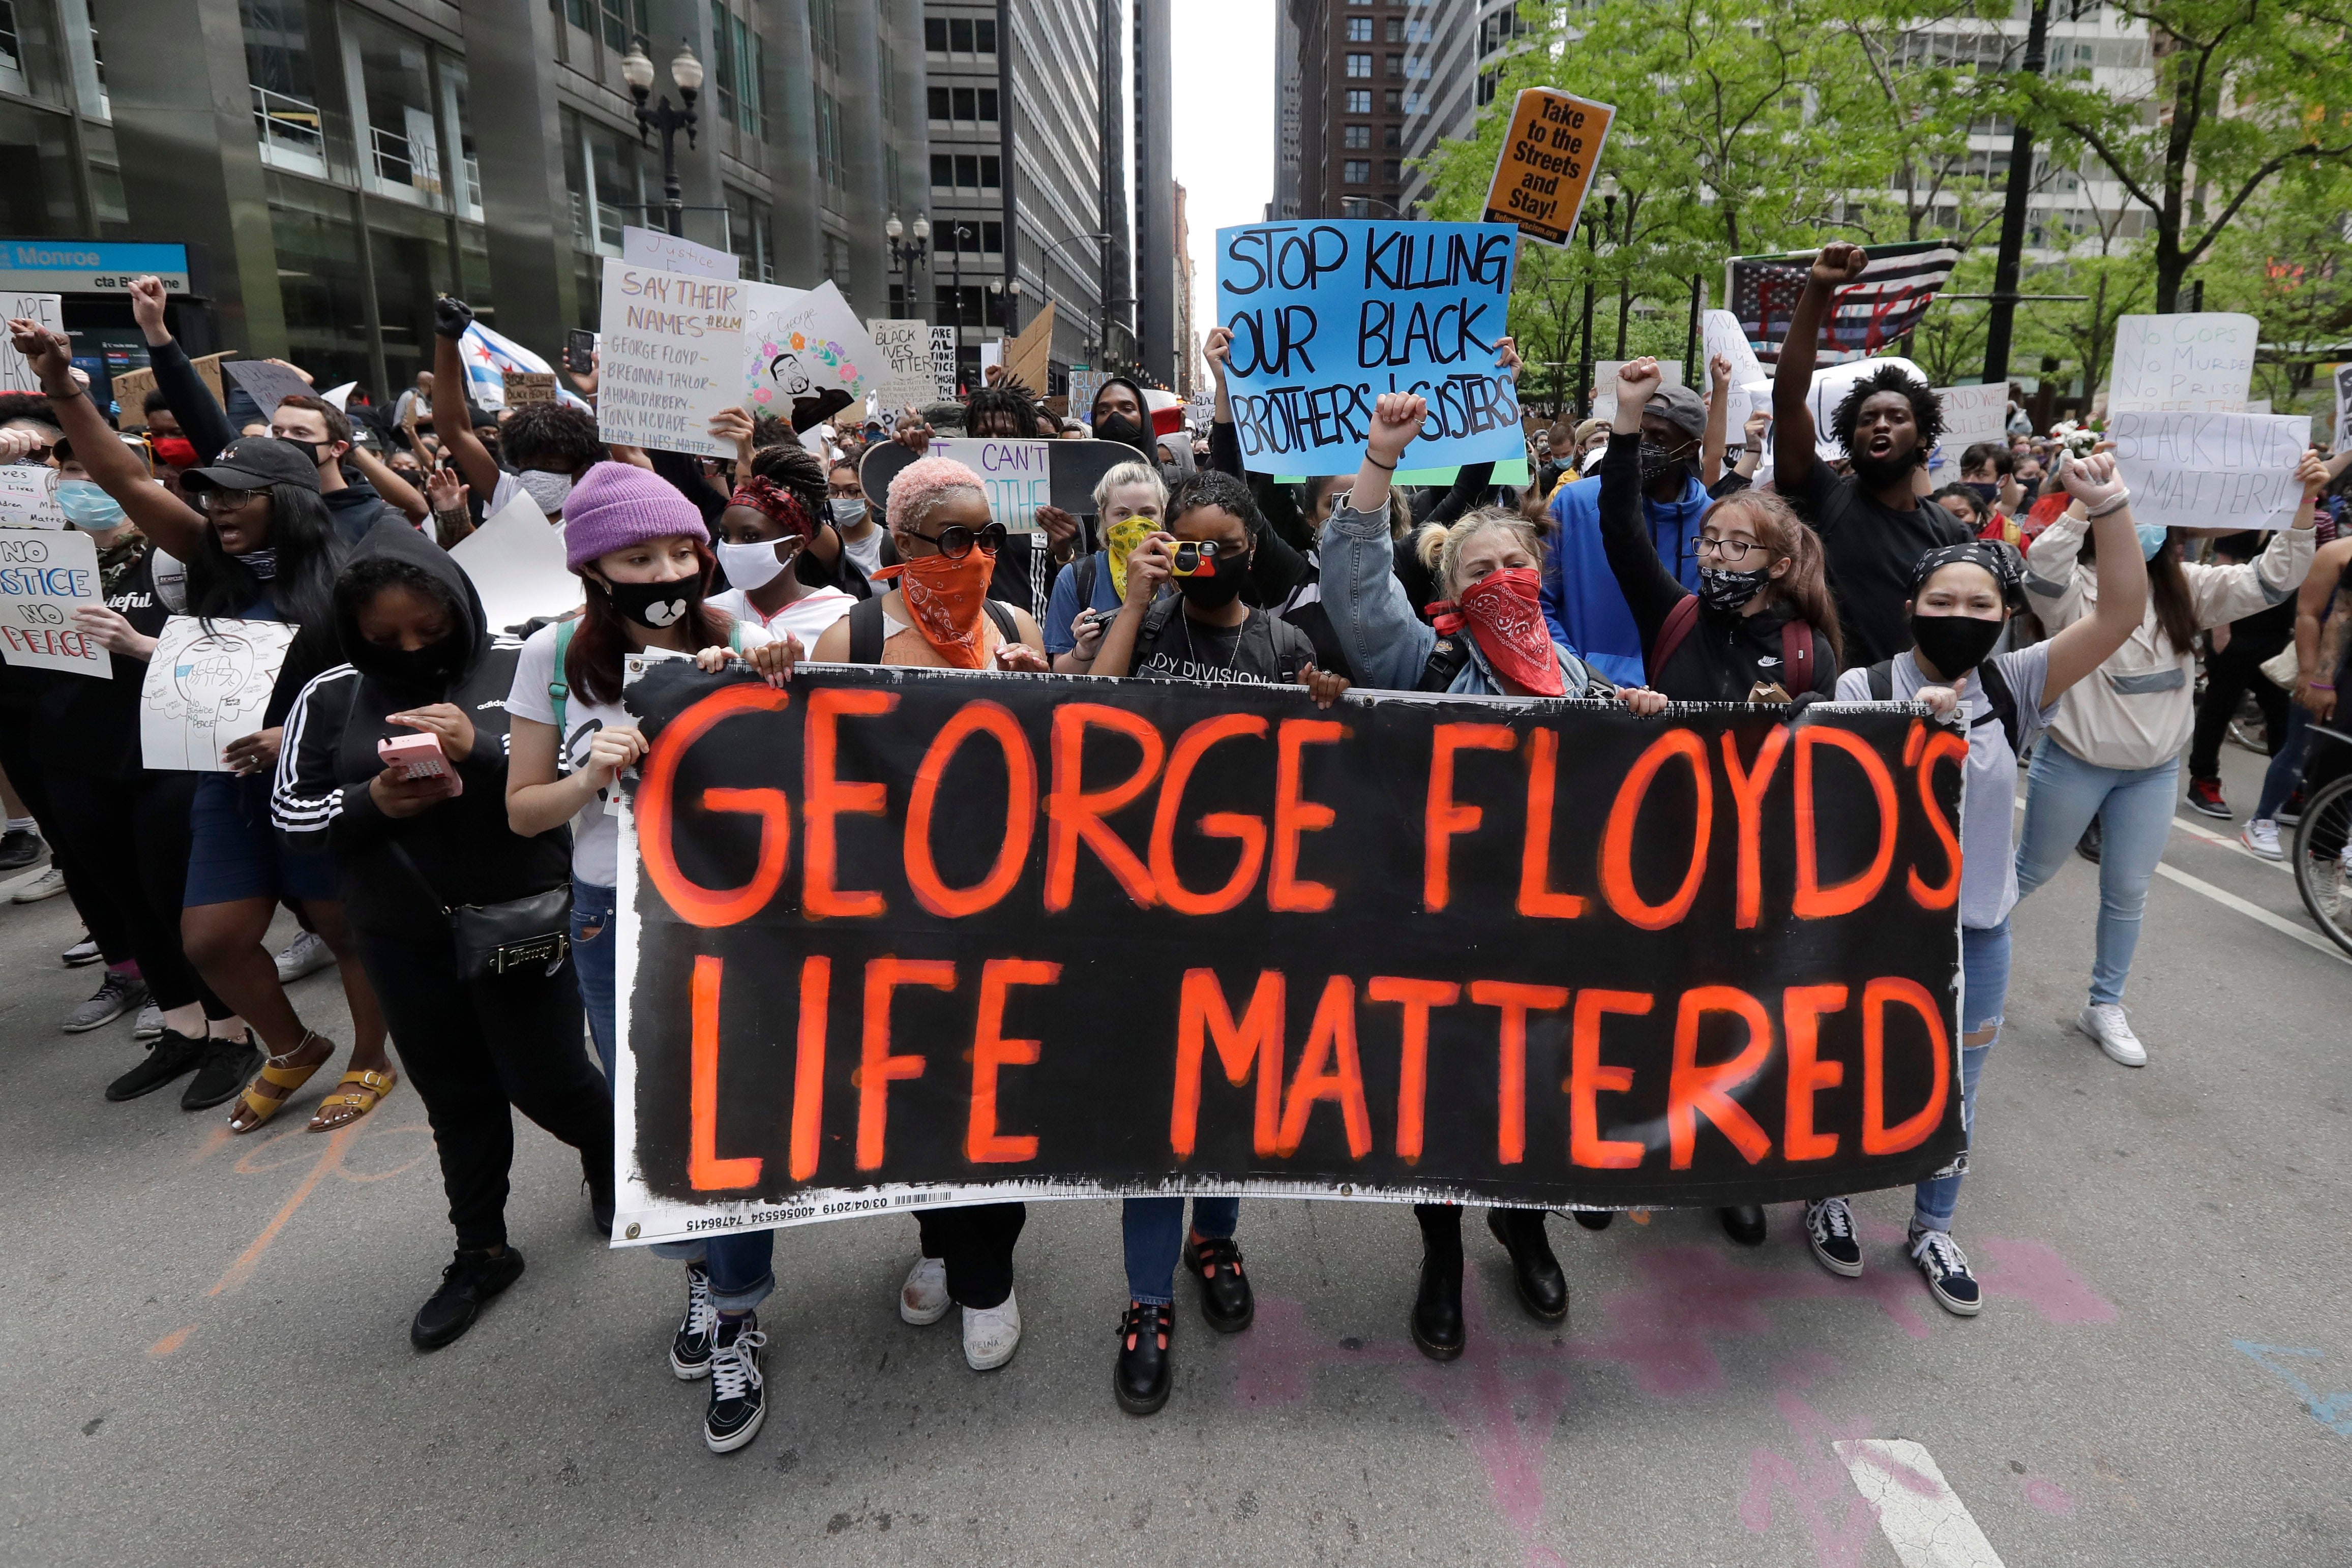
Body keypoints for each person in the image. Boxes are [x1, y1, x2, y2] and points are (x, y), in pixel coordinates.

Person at [1318, 390, 1665, 1359]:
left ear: (1540, 570)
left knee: (1532, 1094)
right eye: (1482, 568)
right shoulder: (1418, 661)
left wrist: (1646, 725)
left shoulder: (1583, 677)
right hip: (1434, 935)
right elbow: (1351, 580)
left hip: (1549, 944)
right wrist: (1380, 458)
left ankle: (1522, 1225)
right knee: (1437, 1101)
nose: (1503, 575)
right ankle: (1440, 1251)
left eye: (1516, 562)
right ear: (1451, 588)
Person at [14, 316, 400, 1131]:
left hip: (313, 781)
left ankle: (371, 1059)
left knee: (341, 930)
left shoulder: (349, 576)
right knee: (211, 942)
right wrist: (61, 386)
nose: (217, 510)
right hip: (223, 783)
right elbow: (123, 480)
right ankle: (294, 1049)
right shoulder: (207, 556)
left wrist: (292, 737)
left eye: (236, 498)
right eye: (210, 497)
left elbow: (381, 684)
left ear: (286, 502)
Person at [1805, 453, 2149, 1314]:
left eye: (1980, 605)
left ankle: (1932, 1223)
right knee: (1854, 1066)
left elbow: (2121, 615)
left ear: (2004, 618)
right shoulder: (1866, 684)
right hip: (1875, 930)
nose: (1959, 616)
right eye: (1942, 601)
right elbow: (1827, 798)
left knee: (1958, 1082)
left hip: (1978, 931)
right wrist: (1903, 737)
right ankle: (1829, 1196)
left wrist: (2108, 503)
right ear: (1911, 606)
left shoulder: (2016, 680)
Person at [503, 460, 793, 1453]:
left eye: (680, 550)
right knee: (657, 1116)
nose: (666, 568)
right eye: (639, 555)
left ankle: (738, 1310)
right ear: (594, 570)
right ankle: (703, 1283)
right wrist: (590, 778)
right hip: (612, 915)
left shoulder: (739, 641)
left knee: (735, 1116)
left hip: (733, 915)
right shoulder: (546, 656)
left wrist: (774, 687)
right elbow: (520, 810)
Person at [274, 529, 614, 1349]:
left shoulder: (524, 661)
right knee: (456, 1097)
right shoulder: (330, 693)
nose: (414, 649)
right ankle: (481, 1249)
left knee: (549, 1077)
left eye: (430, 627)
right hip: (402, 933)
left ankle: (609, 1157)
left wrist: (484, 750)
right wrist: (371, 803)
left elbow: (584, 781)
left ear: (457, 605)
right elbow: (291, 813)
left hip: (524, 921)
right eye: (387, 637)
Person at [1085, 467, 1348, 1415]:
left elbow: (1320, 779)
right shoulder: (1141, 624)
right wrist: (1139, 596)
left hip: (1248, 925)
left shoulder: (1281, 642)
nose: (1205, 560)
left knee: (1231, 1103)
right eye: (1184, 543)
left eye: (1221, 548)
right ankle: (1147, 1297)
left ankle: (1217, 1237)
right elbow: (1092, 707)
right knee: (1160, 1120)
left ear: (1247, 552)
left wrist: (1323, 703)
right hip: (1145, 918)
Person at [809, 456, 1050, 1385]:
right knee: (915, 1095)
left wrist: (1047, 689)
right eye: (955, 538)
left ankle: (990, 1275)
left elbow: (1062, 768)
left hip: (1006, 920)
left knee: (993, 1098)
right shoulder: (854, 635)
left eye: (989, 536)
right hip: (893, 927)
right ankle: (941, 1241)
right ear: (902, 541)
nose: (977, 554)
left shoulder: (1013, 625)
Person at [2013, 452, 2324, 1066]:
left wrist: (2303, 504)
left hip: (2152, 774)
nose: (2137, 523)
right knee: (2025, 875)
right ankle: (1946, 956)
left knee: (2127, 892)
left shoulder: (2192, 591)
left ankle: (2104, 1005)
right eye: (2127, 508)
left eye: (2146, 511)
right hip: (2074, 763)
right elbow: (2041, 567)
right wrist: (2088, 495)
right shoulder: (2072, 593)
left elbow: (2274, 577)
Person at [31, 434, 254, 1092]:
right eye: (69, 471)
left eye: (94, 471)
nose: (81, 483)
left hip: (162, 755)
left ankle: (231, 1031)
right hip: (73, 756)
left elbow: (231, 651)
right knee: (122, 892)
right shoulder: (38, 561)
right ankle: (182, 1027)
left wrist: (138, 644)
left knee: (175, 894)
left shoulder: (176, 557)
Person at [1770, 244, 1972, 668]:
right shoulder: (1823, 498)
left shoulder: (1949, 534)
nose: (1880, 425)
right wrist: (1818, 288)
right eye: (1867, 419)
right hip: (1829, 707)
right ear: (1850, 439)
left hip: (1916, 711)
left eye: (1896, 417)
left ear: (1922, 440)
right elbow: (1788, 399)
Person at [1542, 368, 1713, 686]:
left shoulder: (1716, 526)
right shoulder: (1575, 503)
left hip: (1675, 707)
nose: (1643, 444)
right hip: (1582, 701)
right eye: (1639, 432)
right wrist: (1580, 676)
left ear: (1691, 448)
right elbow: (1538, 601)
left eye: (1659, 438)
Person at [430, 297, 603, 523]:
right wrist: (446, 340)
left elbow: (627, 454)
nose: (536, 475)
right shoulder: (511, 495)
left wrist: (596, 395)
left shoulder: (602, 507)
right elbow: (455, 431)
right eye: (528, 463)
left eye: (551, 463)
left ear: (582, 468)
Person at [2243, 534, 2352, 858]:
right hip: (2325, 667)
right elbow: (2308, 613)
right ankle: (2261, 821)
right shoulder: (2335, 553)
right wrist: (2311, 673)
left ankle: (2341, 834)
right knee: (2301, 748)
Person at [2183, 530, 2299, 819]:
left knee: (2282, 713)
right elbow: (2223, 569)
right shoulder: (2245, 524)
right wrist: (2221, 632)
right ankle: (2203, 782)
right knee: (2219, 709)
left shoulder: (2292, 529)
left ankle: (2287, 789)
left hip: (2275, 637)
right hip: (2237, 634)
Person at [706, 442, 857, 644]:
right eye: (725, 536)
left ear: (795, 545)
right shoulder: (709, 615)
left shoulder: (839, 615)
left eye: (751, 537)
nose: (732, 547)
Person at [1041, 460, 1166, 674]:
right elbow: (1059, 673)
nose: (1135, 523)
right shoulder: (1075, 578)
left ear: (1162, 514)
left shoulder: (1179, 575)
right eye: (1122, 514)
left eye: (1147, 513)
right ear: (1103, 517)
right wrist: (1084, 651)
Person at [827, 457, 884, 576]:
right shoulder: (825, 543)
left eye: (852, 491)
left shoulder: (890, 548)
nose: (840, 498)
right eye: (833, 491)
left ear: (871, 496)